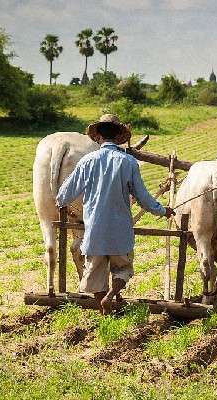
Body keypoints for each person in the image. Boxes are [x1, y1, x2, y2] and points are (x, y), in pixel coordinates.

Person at [56, 114, 174, 314]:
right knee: (123, 268)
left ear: (98, 136)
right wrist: (163, 211)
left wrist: (61, 203)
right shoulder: (129, 162)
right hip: (121, 230)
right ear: (118, 136)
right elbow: (143, 197)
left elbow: (64, 195)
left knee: (94, 275)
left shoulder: (87, 161)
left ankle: (105, 311)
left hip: (94, 231)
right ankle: (111, 296)